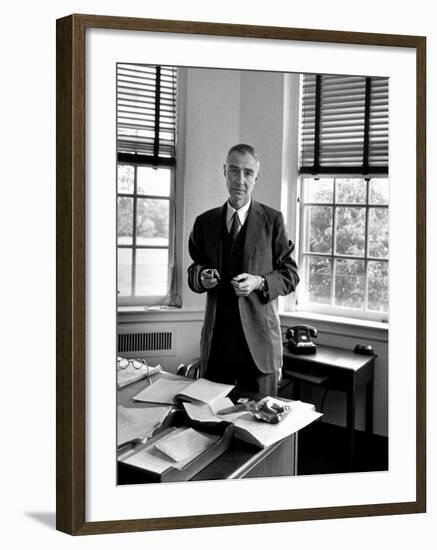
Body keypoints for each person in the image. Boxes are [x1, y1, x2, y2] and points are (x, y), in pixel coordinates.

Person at [187, 144, 299, 396]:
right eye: (234, 171)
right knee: (211, 424)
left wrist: (260, 282)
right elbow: (193, 271)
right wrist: (202, 277)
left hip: (259, 349)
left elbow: (290, 275)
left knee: (259, 429)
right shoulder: (205, 223)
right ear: (224, 172)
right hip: (217, 348)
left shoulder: (273, 221)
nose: (240, 180)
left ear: (256, 177)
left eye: (248, 173)